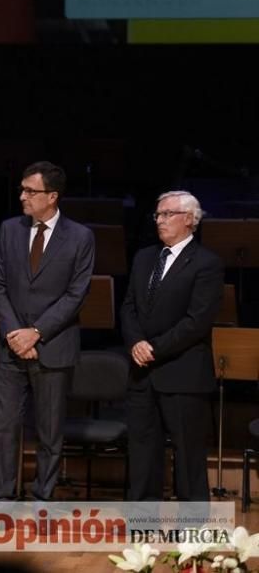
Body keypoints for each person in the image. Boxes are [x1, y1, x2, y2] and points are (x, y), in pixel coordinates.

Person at [0, 161, 94, 501]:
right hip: (10, 346)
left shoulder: (80, 237)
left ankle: (40, 501)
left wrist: (36, 332)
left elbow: (76, 294)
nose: (22, 196)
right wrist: (15, 333)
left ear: (52, 196)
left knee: (49, 432)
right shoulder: (9, 230)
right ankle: (1, 500)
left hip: (52, 346)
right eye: (21, 189)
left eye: (30, 191)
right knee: (4, 428)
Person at [121, 191, 223, 501]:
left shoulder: (207, 263)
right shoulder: (144, 257)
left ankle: (193, 532)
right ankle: (142, 525)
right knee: (141, 452)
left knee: (188, 454)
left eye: (168, 214)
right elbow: (128, 307)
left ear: (191, 220)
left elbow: (196, 321)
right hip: (142, 373)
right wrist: (136, 342)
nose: (160, 221)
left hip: (183, 372)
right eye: (158, 215)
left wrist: (153, 348)